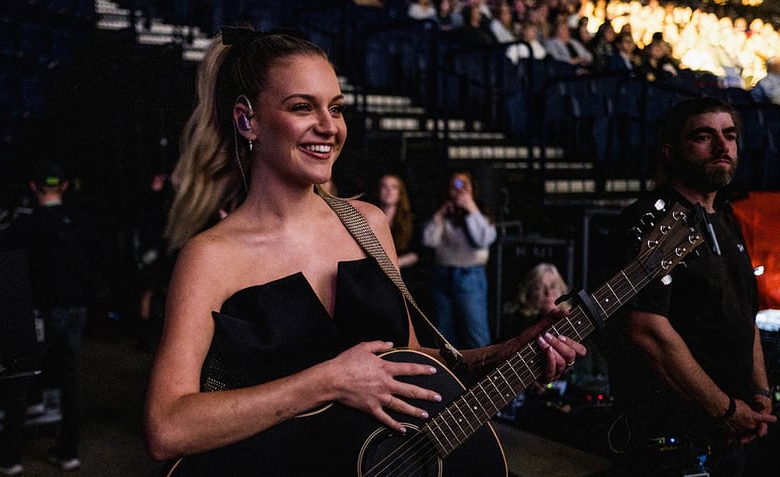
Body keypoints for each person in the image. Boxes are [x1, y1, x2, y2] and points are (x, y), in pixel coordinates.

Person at [144, 28, 585, 473]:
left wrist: (507, 353)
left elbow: (412, 365)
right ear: (247, 121)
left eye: (336, 108)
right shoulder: (211, 257)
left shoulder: (368, 224)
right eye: (302, 107)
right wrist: (327, 381)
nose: (329, 126)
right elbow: (167, 428)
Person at [603, 97, 776, 477]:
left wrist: (760, 396)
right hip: (668, 448)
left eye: (729, 135)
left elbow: (745, 319)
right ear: (670, 151)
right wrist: (726, 410)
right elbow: (647, 332)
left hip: (729, 437)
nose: (722, 146)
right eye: (703, 136)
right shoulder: (648, 220)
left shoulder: (727, 221)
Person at [0, 161, 111, 473]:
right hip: (77, 311)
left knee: (22, 380)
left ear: (34, 188)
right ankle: (68, 451)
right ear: (65, 186)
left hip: (44, 314)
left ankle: (9, 458)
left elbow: (2, 260)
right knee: (71, 380)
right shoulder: (80, 222)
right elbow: (99, 260)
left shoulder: (28, 225)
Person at [422, 170, 497, 349]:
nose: (459, 189)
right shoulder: (445, 214)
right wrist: (439, 216)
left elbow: (483, 239)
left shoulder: (481, 215)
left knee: (475, 332)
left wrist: (470, 208)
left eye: (464, 185)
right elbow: (428, 241)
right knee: (443, 334)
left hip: (469, 275)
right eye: (455, 185)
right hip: (442, 275)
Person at [501, 262, 570, 340]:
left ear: (562, 290)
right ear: (528, 292)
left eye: (553, 286)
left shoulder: (572, 320)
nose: (548, 292)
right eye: (539, 287)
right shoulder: (513, 326)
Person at [368, 173, 418, 269]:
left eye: (394, 187)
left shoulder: (410, 220)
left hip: (402, 273)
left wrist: (394, 264)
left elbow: (417, 253)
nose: (389, 191)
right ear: (378, 191)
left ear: (400, 193)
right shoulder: (368, 219)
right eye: (384, 186)